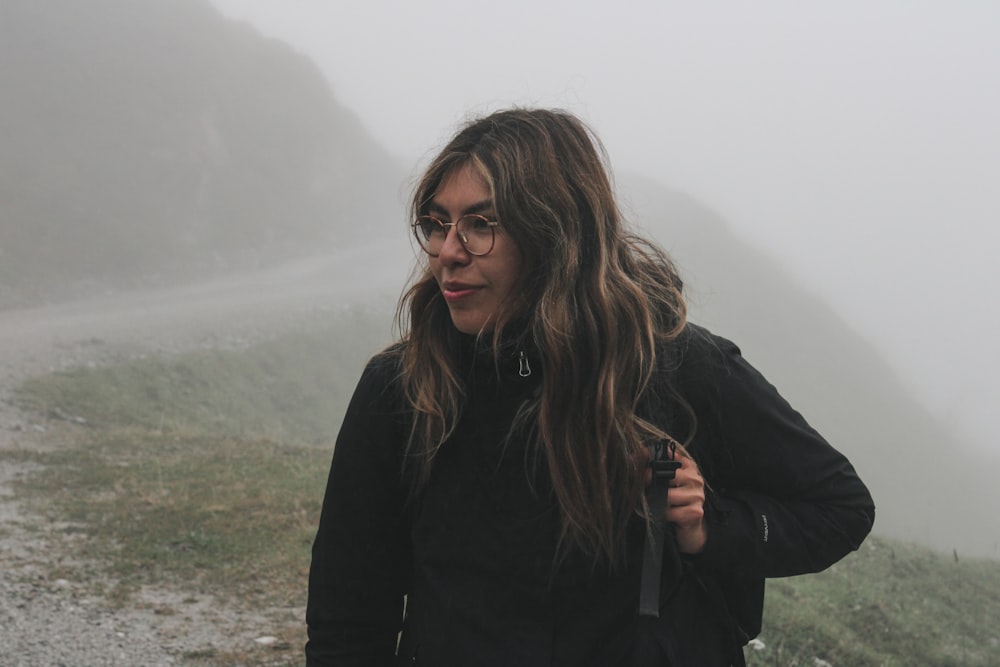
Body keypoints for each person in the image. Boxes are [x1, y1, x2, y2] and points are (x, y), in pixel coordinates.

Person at [305, 108, 875, 666]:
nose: (448, 253)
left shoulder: (673, 366)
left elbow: (839, 507)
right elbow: (349, 616)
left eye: (482, 224)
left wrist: (709, 530)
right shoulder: (403, 390)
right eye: (437, 223)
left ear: (553, 233)